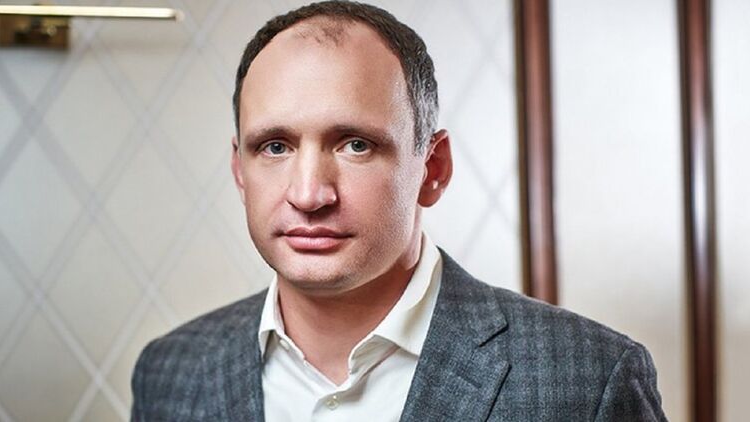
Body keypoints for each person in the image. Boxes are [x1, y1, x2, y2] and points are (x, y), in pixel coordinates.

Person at [130, 1, 667, 420]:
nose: (310, 194)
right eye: (275, 146)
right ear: (239, 171)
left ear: (433, 168)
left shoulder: (592, 381)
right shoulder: (169, 372)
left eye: (355, 145)